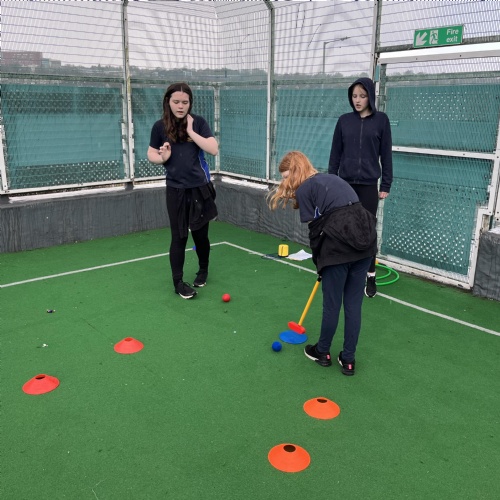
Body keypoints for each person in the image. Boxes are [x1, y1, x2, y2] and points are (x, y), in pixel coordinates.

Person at [268, 151, 377, 376]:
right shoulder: (332, 179)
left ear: (295, 171)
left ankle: (323, 352)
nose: (284, 182)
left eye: (286, 176)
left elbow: (316, 232)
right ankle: (348, 360)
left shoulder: (305, 189)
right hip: (365, 245)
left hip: (338, 249)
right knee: (353, 305)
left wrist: (320, 263)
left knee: (332, 305)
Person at [147, 82, 218, 299]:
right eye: (176, 102)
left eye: (185, 102)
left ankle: (203, 270)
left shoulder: (199, 123)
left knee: (200, 236)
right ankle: (178, 283)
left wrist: (190, 131)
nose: (180, 106)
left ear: (190, 103)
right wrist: (163, 158)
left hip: (199, 189)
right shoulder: (159, 127)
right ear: (168, 102)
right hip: (175, 190)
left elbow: (213, 149)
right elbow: (151, 154)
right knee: (178, 237)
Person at [328, 77, 392, 298]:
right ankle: (346, 270)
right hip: (345, 185)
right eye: (354, 96)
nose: (358, 100)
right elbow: (335, 154)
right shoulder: (344, 121)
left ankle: (370, 275)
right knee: (345, 228)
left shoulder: (381, 121)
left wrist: (386, 183)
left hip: (368, 186)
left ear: (370, 97)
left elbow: (386, 154)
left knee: (367, 231)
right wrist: (332, 181)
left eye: (362, 96)